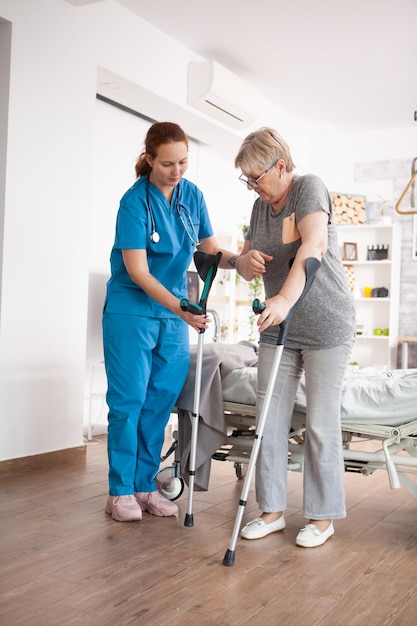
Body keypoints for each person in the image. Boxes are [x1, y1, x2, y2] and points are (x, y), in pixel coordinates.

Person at [103, 121, 238, 522]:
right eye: (167, 164)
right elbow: (139, 273)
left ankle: (145, 486)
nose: (177, 171)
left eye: (183, 162)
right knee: (128, 402)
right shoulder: (134, 203)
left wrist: (240, 263)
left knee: (160, 402)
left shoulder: (191, 195)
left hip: (176, 314)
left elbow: (211, 251)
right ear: (149, 160)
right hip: (132, 310)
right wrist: (182, 308)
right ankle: (120, 491)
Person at [233, 127, 356, 547]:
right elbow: (248, 257)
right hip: (279, 328)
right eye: (246, 180)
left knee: (321, 424)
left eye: (256, 178)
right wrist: (243, 261)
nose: (252, 186)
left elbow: (314, 246)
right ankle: (271, 511)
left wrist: (284, 299)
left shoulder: (309, 189)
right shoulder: (258, 206)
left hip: (325, 325)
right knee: (268, 419)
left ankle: (322, 518)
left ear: (280, 166)